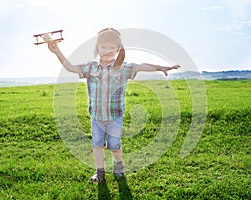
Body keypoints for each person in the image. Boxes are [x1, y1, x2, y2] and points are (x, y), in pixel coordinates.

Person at [47, 27, 179, 183]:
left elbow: (141, 65)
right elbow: (70, 67)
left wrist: (161, 67)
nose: (108, 51)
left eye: (112, 48)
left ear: (118, 50)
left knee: (114, 145)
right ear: (98, 48)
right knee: (97, 144)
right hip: (96, 116)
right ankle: (99, 172)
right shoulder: (90, 67)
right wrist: (57, 52)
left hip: (115, 116)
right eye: (103, 47)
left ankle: (119, 166)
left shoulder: (123, 68)